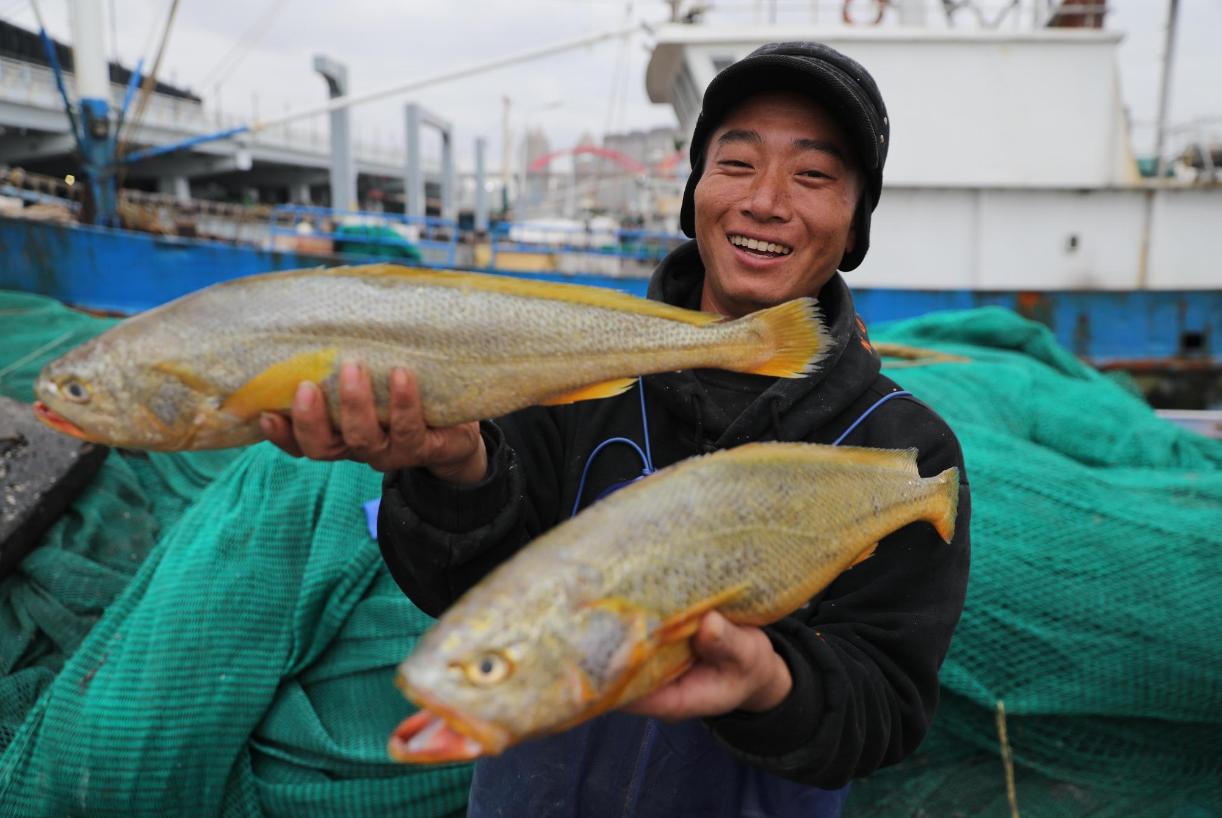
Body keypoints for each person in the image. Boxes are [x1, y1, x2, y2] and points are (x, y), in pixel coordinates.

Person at [262, 41, 971, 818]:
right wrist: (454, 467)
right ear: (694, 187)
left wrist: (769, 679)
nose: (766, 200)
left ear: (854, 222)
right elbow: (460, 583)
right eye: (735, 164)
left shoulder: (905, 451)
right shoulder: (570, 370)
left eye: (813, 175)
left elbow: (887, 709)